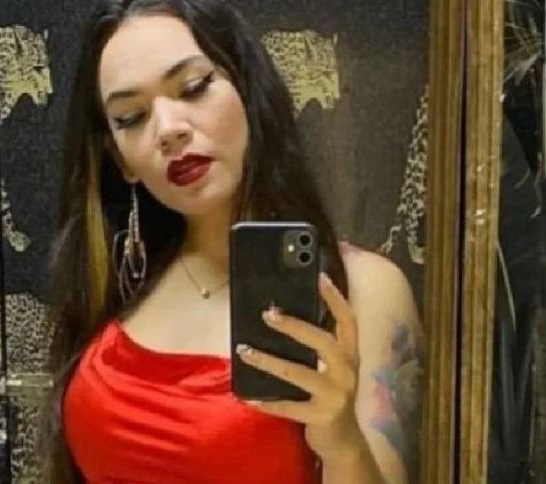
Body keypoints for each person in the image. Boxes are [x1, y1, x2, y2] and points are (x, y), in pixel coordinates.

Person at [41, 1, 424, 482]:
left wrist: (342, 443)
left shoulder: (363, 290)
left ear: (247, 89)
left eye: (193, 87)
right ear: (121, 161)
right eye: (132, 117)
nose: (168, 130)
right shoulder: (122, 281)